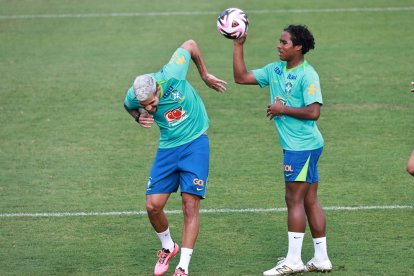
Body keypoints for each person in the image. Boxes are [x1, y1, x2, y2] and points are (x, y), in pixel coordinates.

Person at [232, 25, 332, 275]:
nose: (279, 45)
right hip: (302, 146)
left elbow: (314, 112)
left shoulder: (308, 75)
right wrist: (238, 45)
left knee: (294, 199)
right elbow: (241, 77)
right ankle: (321, 259)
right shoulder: (275, 69)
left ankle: (294, 260)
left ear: (298, 47)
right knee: (309, 199)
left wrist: (282, 110)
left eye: (284, 42)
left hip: (302, 147)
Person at [123, 40, 227, 276]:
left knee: (190, 205)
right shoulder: (136, 96)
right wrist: (137, 117)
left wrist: (204, 75)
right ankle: (168, 247)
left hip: (195, 144)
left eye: (151, 104)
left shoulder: (172, 72)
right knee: (153, 206)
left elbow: (190, 44)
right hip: (168, 148)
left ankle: (183, 267)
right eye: (145, 106)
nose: (150, 109)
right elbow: (128, 105)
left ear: (157, 89)